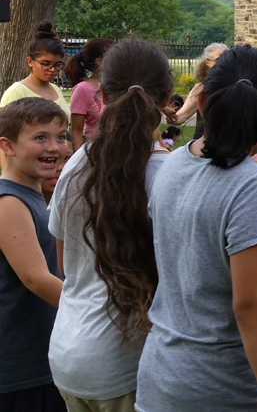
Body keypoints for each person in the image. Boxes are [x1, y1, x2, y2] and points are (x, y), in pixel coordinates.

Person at [137, 46, 257, 412]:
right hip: (221, 389)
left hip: (159, 379)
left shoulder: (171, 163)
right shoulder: (252, 185)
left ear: (203, 102)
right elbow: (252, 308)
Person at [48, 41, 173, 412]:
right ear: (167, 97)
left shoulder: (75, 164)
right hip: (127, 365)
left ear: (101, 93)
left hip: (69, 355)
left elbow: (65, 266)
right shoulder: (169, 175)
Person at [0, 98, 69, 412]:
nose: (54, 147)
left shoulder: (34, 194)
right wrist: (95, 310)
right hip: (20, 367)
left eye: (61, 136)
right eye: (40, 137)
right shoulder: (9, 202)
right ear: (8, 146)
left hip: (41, 358)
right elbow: (36, 279)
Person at [1, 21, 72, 122]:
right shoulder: (17, 91)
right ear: (30, 61)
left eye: (57, 65)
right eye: (46, 64)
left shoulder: (56, 89)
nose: (52, 70)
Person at [64, 37, 115, 150]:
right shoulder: (82, 90)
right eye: (114, 56)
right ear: (99, 61)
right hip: (94, 152)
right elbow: (76, 130)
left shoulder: (118, 86)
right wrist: (79, 159)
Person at [169, 42, 228, 137]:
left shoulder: (238, 84)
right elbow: (182, 116)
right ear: (207, 63)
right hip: (204, 144)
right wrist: (171, 116)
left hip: (233, 145)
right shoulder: (201, 87)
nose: (224, 62)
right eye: (218, 60)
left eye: (227, 59)